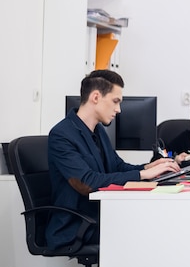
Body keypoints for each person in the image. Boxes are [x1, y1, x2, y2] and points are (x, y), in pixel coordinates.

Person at [46, 70, 181, 250]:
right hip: (77, 225)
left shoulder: (99, 131)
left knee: (157, 222)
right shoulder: (61, 135)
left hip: (101, 215)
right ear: (95, 97)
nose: (119, 110)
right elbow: (87, 182)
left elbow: (116, 166)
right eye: (115, 101)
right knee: (148, 231)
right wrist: (143, 174)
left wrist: (151, 166)